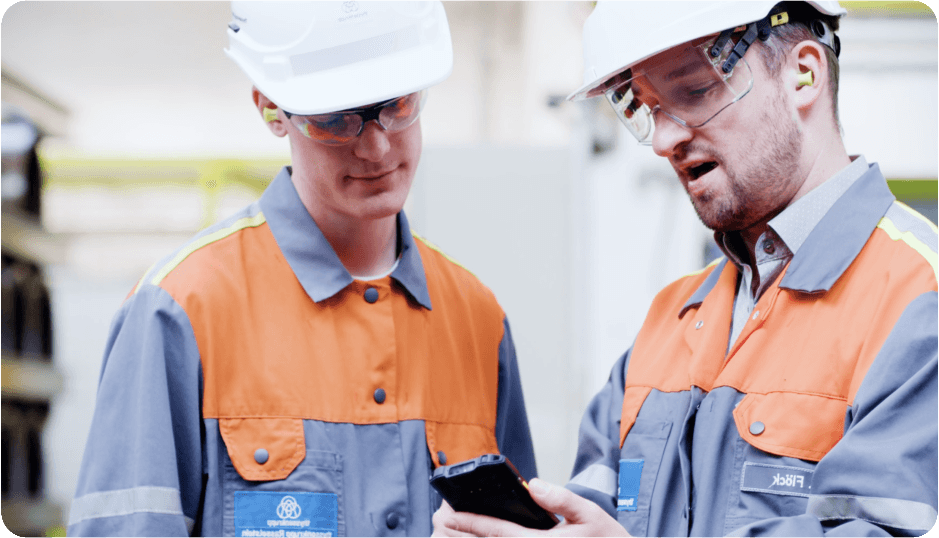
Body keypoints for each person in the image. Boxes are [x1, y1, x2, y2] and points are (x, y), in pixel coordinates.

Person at [433, 1, 938, 536]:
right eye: (647, 108)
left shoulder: (918, 297)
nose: (662, 141)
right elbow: (593, 509)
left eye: (695, 91)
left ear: (804, 74)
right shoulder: (671, 317)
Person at [68, 1, 537, 536]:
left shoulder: (475, 318)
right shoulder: (180, 310)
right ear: (271, 109)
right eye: (337, 119)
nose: (377, 145)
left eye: (399, 105)